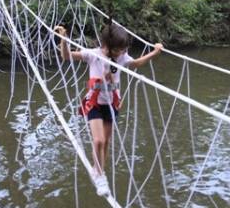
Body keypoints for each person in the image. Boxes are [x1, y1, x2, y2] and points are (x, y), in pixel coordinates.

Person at [54, 24, 163, 196]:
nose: (120, 53)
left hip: (112, 104)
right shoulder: (93, 55)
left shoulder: (121, 57)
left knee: (105, 142)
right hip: (94, 104)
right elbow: (67, 57)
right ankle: (99, 175)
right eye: (117, 50)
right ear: (105, 45)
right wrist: (64, 40)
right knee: (98, 141)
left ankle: (99, 170)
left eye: (122, 50)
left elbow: (136, 63)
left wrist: (155, 52)